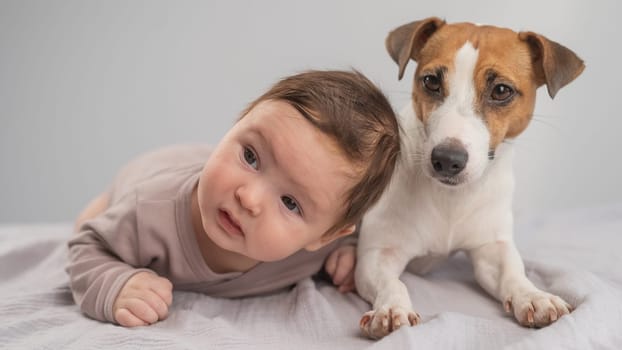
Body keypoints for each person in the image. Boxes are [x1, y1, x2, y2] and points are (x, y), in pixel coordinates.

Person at [67, 70, 400, 327]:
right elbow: (87, 247)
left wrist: (351, 253)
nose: (249, 198)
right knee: (93, 217)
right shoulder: (149, 213)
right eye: (251, 157)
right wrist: (114, 285)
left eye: (290, 203)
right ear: (237, 122)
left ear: (325, 236)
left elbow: (390, 240)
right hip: (156, 170)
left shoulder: (324, 245)